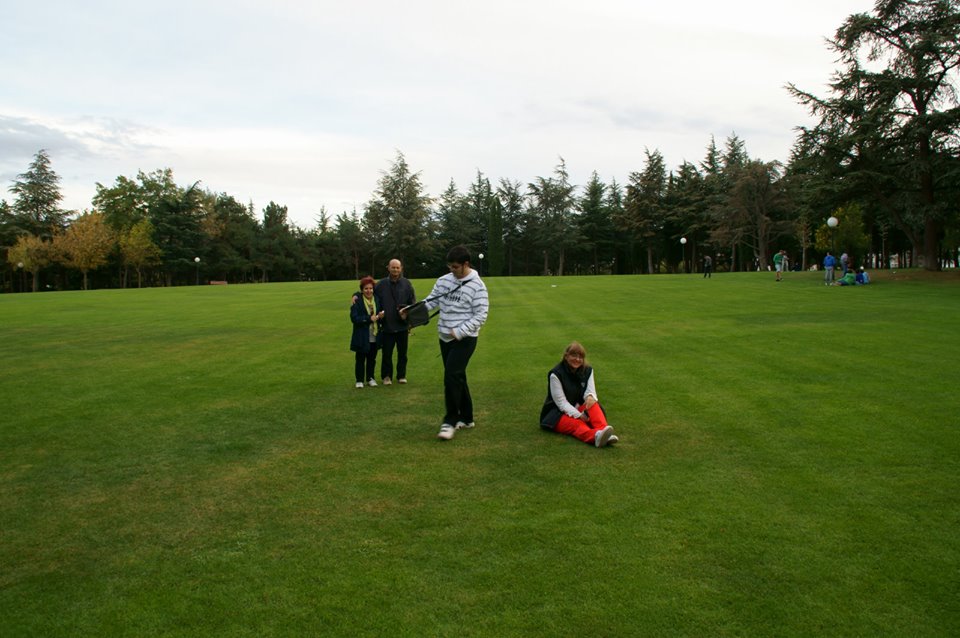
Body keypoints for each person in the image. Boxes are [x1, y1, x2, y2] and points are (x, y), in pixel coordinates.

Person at [423, 245, 489, 440]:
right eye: (449, 266)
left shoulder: (478, 286)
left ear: (465, 264)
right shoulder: (443, 281)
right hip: (444, 338)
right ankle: (467, 418)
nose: (451, 270)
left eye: (454, 267)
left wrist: (459, 331)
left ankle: (450, 420)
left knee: (451, 376)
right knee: (458, 376)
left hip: (465, 339)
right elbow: (431, 301)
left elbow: (481, 316)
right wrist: (411, 311)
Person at [539, 341, 617, 448]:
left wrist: (590, 397)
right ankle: (596, 437)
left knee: (593, 404)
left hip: (577, 407)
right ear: (566, 356)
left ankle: (604, 432)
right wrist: (580, 415)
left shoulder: (588, 370)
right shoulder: (556, 374)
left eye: (580, 357)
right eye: (574, 355)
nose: (577, 359)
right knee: (577, 424)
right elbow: (561, 403)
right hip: (557, 413)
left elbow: (591, 391)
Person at [375, 259, 416, 385]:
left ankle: (401, 376)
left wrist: (407, 315)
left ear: (401, 268)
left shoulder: (407, 284)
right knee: (387, 353)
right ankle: (386, 376)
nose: (395, 270)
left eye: (397, 268)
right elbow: (368, 293)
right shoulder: (381, 284)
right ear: (388, 268)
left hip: (402, 325)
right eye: (393, 267)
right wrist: (355, 295)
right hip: (387, 325)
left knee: (402, 353)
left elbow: (412, 302)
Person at [350, 276, 384, 388]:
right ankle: (359, 380)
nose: (369, 291)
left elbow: (379, 313)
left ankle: (370, 378)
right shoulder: (357, 301)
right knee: (360, 358)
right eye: (366, 288)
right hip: (362, 335)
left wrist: (380, 316)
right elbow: (354, 318)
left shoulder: (377, 299)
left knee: (372, 359)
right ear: (362, 290)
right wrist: (369, 318)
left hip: (374, 334)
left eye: (370, 288)